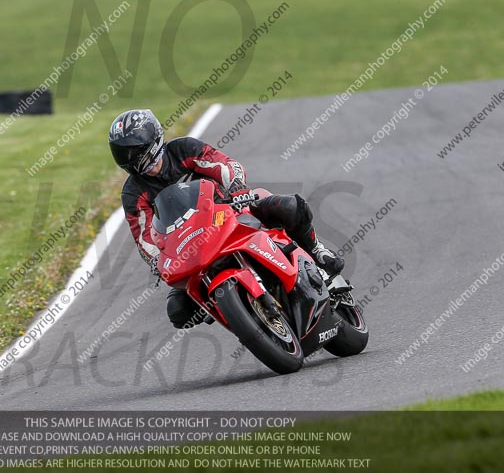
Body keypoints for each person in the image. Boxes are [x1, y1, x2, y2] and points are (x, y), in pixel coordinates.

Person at [108, 109, 344, 329]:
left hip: (230, 212)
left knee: (291, 206)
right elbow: (144, 237)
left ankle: (316, 251)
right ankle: (219, 306)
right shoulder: (133, 192)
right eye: (126, 155)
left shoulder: (182, 149)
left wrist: (237, 188)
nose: (133, 160)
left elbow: (223, 165)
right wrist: (158, 261)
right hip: (188, 248)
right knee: (178, 311)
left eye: (136, 152)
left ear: (153, 140)